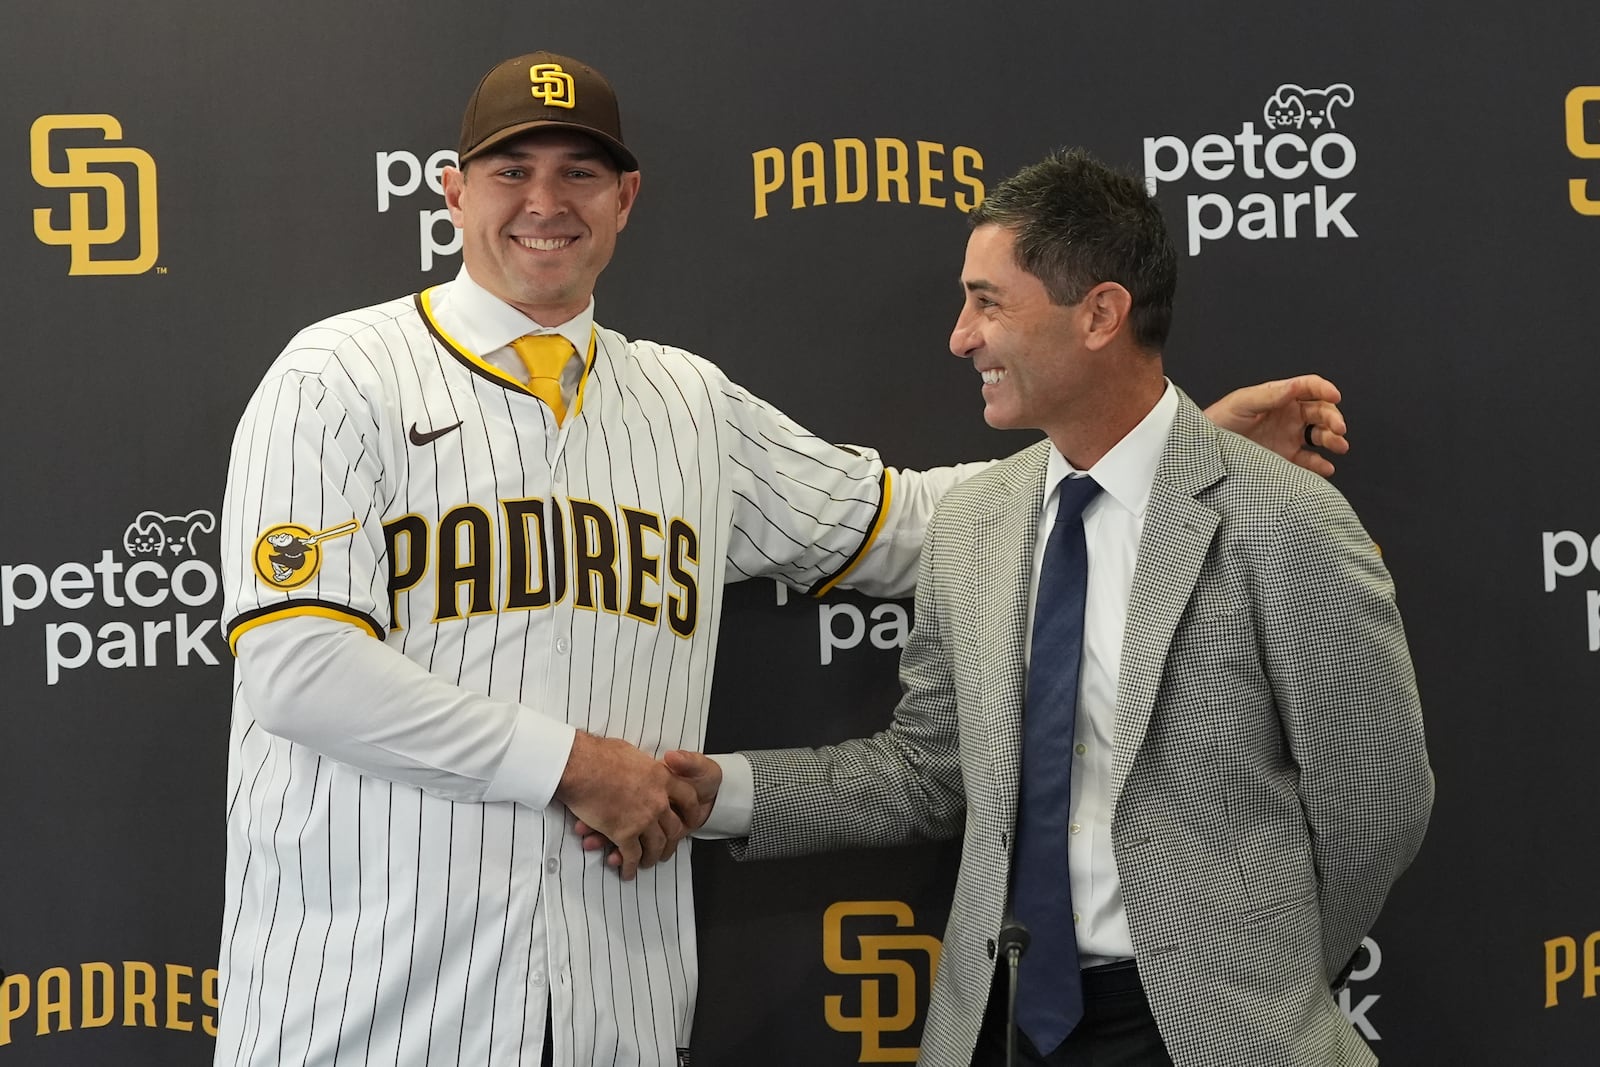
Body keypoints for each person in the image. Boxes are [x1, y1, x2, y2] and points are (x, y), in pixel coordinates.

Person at [213, 48, 1354, 1067]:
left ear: (626, 200)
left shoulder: (685, 402)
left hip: (605, 992)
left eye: (580, 174)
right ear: (455, 193)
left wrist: (1160, 445)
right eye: (512, 172)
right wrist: (571, 760)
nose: (545, 203)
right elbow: (299, 666)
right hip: (369, 999)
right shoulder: (338, 376)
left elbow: (915, 521)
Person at [662, 148, 1433, 1066]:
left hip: (1214, 1036)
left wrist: (1253, 971)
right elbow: (930, 769)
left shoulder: (1284, 518)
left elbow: (1377, 808)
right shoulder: (974, 525)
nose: (960, 335)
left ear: (1101, 313)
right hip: (1004, 1025)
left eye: (989, 302)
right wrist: (731, 791)